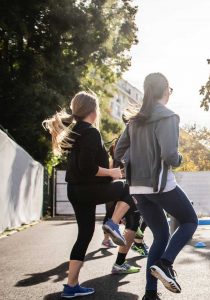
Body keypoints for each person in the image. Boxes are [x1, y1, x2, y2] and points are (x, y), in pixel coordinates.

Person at [42, 91, 137, 298]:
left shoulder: (76, 131)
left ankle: (71, 285)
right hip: (87, 189)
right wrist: (111, 172)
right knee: (130, 188)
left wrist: (108, 170)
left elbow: (84, 165)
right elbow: (87, 168)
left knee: (84, 235)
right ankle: (112, 223)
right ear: (93, 111)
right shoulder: (90, 132)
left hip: (76, 190)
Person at [115, 72, 198, 300]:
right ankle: (165, 262)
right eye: (170, 90)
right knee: (190, 220)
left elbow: (118, 151)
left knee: (160, 235)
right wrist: (180, 160)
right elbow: (170, 156)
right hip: (160, 186)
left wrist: (130, 169)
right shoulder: (168, 116)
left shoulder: (135, 120)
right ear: (164, 91)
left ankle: (150, 294)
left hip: (137, 189)